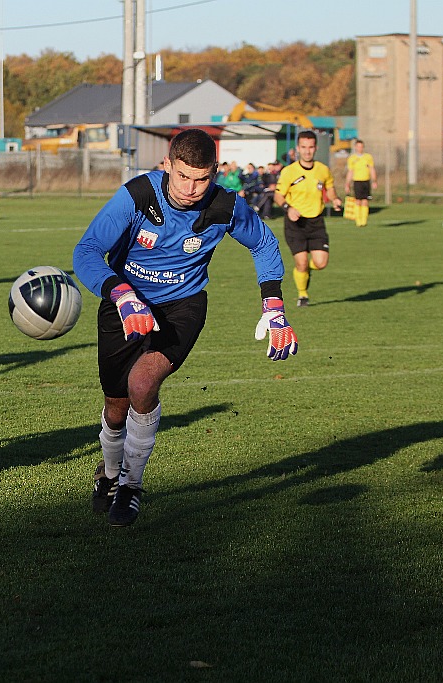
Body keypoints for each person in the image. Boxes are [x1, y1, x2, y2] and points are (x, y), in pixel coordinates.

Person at [72, 128, 297, 528]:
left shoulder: (226, 206)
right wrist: (121, 295)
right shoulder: (138, 194)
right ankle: (108, 474)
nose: (192, 189)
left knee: (142, 385)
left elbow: (263, 243)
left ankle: (131, 486)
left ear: (215, 172)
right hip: (124, 301)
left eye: (202, 178)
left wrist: (274, 305)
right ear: (167, 166)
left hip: (183, 305)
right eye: (182, 176)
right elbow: (88, 250)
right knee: (115, 405)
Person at [273, 130, 343, 307]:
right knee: (302, 262)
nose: (307, 151)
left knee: (320, 263)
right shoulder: (289, 171)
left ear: (315, 148)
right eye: (303, 147)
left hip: (316, 222)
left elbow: (330, 188)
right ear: (298, 148)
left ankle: (304, 272)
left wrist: (335, 199)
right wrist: (289, 208)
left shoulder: (323, 170)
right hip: (295, 223)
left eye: (310, 147)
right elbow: (278, 196)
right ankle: (302, 295)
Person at [345, 139, 377, 227]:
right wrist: (347, 184)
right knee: (358, 200)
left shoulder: (368, 157)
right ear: (355, 147)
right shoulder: (352, 158)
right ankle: (358, 221)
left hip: (366, 181)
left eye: (361, 147)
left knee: (365, 201)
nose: (360, 148)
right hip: (357, 181)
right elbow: (350, 171)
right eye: (358, 147)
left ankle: (364, 220)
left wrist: (374, 180)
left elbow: (372, 169)